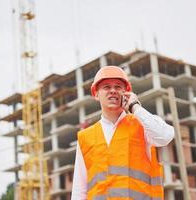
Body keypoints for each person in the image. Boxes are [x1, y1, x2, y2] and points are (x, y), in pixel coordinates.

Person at [71, 66, 174, 200]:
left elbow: (165, 136)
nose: (113, 91)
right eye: (106, 87)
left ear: (126, 93)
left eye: (118, 87)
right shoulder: (86, 137)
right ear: (96, 93)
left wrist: (135, 107)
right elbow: (79, 190)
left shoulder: (142, 125)